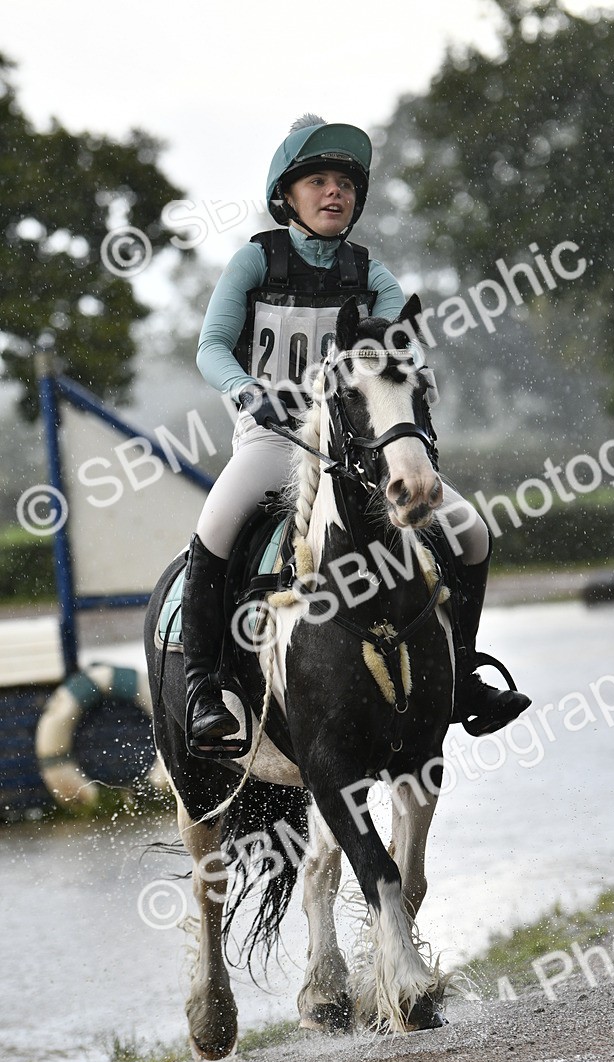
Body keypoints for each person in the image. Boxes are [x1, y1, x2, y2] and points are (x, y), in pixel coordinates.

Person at [183, 114, 530, 753]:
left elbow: (405, 348)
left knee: (472, 531)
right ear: (287, 196)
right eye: (316, 181)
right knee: (215, 531)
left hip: (354, 447)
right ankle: (205, 690)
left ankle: (463, 671)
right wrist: (242, 389)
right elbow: (209, 346)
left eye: (342, 182)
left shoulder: (370, 274)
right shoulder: (254, 262)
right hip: (274, 441)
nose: (333, 193)